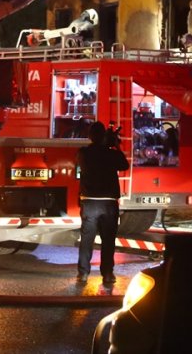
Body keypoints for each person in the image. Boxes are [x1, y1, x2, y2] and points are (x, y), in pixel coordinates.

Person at [76, 121, 129, 286]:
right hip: (108, 203)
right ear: (104, 136)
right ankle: (107, 273)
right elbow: (124, 165)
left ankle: (83, 273)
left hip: (89, 201)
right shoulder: (111, 153)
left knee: (87, 239)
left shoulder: (83, 153)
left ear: (90, 136)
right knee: (108, 240)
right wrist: (115, 146)